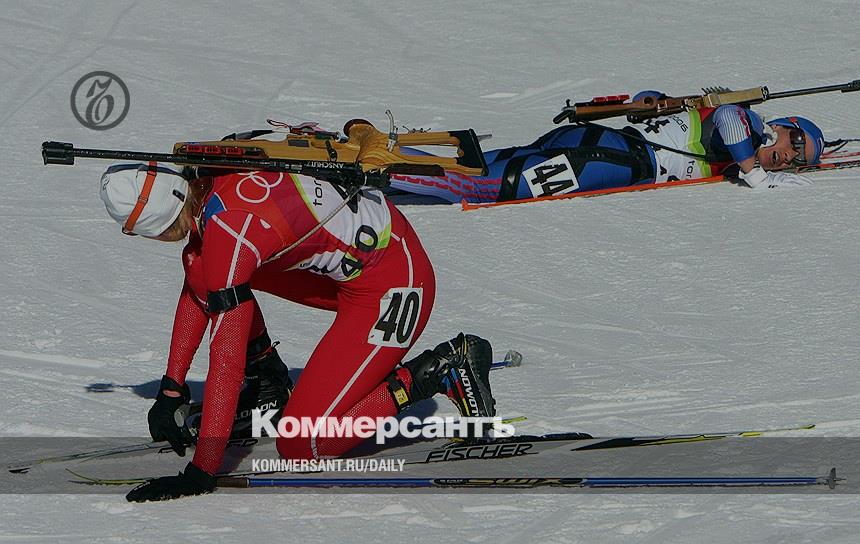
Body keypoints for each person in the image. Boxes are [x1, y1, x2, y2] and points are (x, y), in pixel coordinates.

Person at [97, 162, 498, 502]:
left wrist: (202, 470)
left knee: (303, 444)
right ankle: (268, 382)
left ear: (157, 224)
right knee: (203, 263)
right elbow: (200, 283)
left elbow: (226, 360)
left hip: (396, 284)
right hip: (361, 261)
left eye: (139, 231)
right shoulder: (210, 180)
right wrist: (171, 388)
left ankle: (437, 371)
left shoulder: (232, 230)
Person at [388, 91, 823, 203]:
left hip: (596, 146)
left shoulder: (741, 145)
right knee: (487, 187)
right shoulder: (751, 123)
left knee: (480, 168)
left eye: (798, 161)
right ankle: (375, 168)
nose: (790, 156)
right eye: (796, 142)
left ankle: (382, 159)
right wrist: (756, 175)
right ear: (783, 126)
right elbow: (727, 117)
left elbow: (648, 98)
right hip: (609, 160)